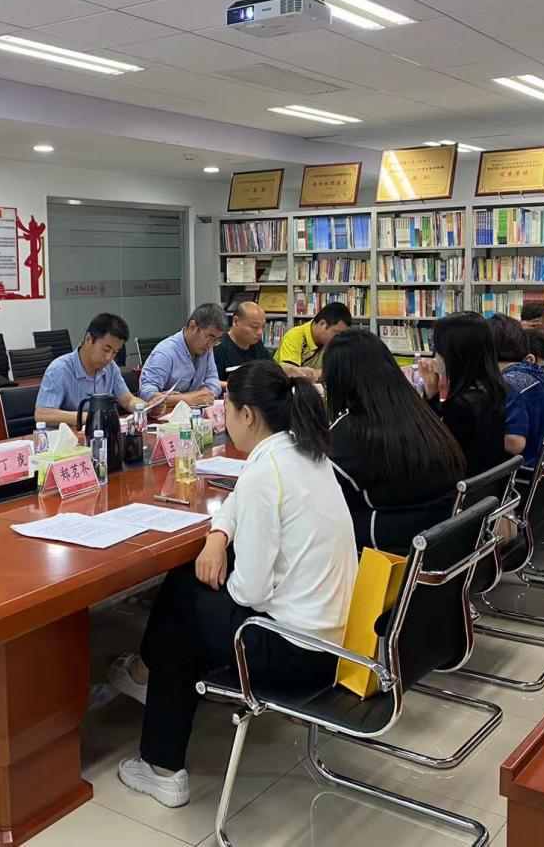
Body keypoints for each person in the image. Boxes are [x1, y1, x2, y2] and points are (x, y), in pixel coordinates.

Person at [112, 360, 358, 808]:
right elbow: (237, 502)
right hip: (336, 641)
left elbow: (250, 593)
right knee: (187, 584)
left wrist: (219, 570)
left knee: (183, 610)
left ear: (247, 415)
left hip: (298, 653)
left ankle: (161, 766)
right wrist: (218, 537)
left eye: (227, 409)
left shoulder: (268, 470)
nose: (223, 417)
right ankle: (153, 679)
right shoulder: (301, 452)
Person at [324, 329, 465, 553]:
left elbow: (323, 491)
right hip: (443, 543)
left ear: (337, 381)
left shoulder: (351, 430)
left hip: (391, 553)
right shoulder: (417, 410)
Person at [416, 312, 508, 478]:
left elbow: (430, 444)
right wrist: (434, 390)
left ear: (453, 354)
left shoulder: (461, 406)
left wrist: (430, 395)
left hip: (461, 484)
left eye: (438, 349)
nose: (435, 357)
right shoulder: (493, 389)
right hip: (487, 483)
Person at [35, 312, 142, 427]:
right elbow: (42, 415)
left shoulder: (111, 367)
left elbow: (127, 400)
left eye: (115, 352)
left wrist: (147, 407)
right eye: (106, 350)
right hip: (70, 436)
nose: (109, 357)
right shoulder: (59, 369)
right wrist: (92, 417)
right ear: (88, 339)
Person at [488, 314, 544, 468]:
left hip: (522, 472)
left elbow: (514, 445)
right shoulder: (533, 374)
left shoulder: (508, 383)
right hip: (542, 465)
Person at [137, 304, 225, 411]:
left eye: (216, 340)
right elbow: (146, 394)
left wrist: (203, 395)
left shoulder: (206, 349)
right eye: (209, 337)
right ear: (192, 326)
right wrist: (188, 398)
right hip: (166, 415)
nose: (210, 345)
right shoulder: (165, 352)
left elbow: (214, 382)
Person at [272, 302, 352, 382]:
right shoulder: (294, 336)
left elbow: (340, 370)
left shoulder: (329, 342)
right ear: (322, 324)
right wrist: (322, 373)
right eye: (337, 333)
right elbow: (292, 375)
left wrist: (318, 374)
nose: (340, 338)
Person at [211, 301, 270, 383]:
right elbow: (212, 383)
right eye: (255, 327)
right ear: (235, 322)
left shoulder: (258, 345)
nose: (260, 332)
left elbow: (272, 372)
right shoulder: (218, 348)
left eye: (262, 327)